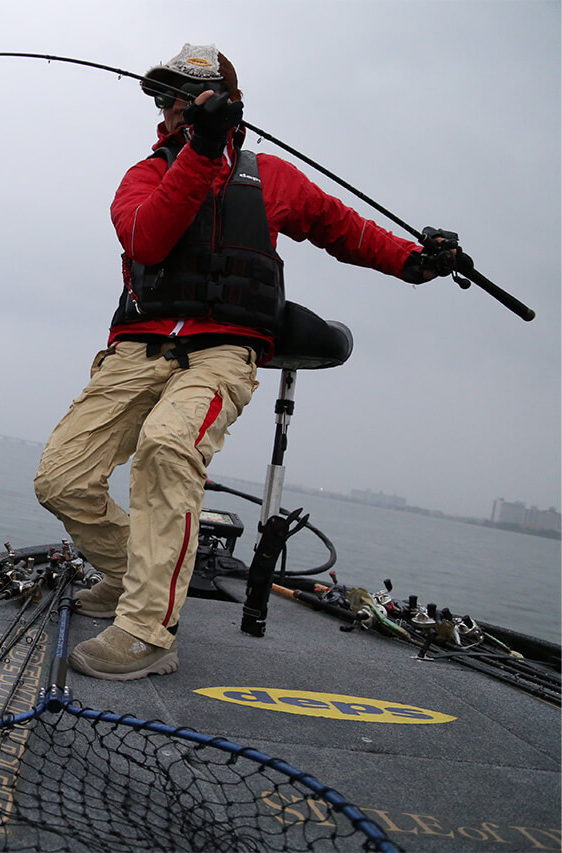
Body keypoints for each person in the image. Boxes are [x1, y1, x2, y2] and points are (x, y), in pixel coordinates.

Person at [34, 44, 456, 681]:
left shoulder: (274, 179)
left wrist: (416, 261)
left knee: (169, 446)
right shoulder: (143, 175)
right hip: (137, 350)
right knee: (61, 481)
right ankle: (126, 574)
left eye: (187, 96)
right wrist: (202, 151)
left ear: (226, 103)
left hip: (221, 354)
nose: (172, 108)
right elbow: (148, 237)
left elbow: (346, 230)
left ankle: (147, 632)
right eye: (165, 97)